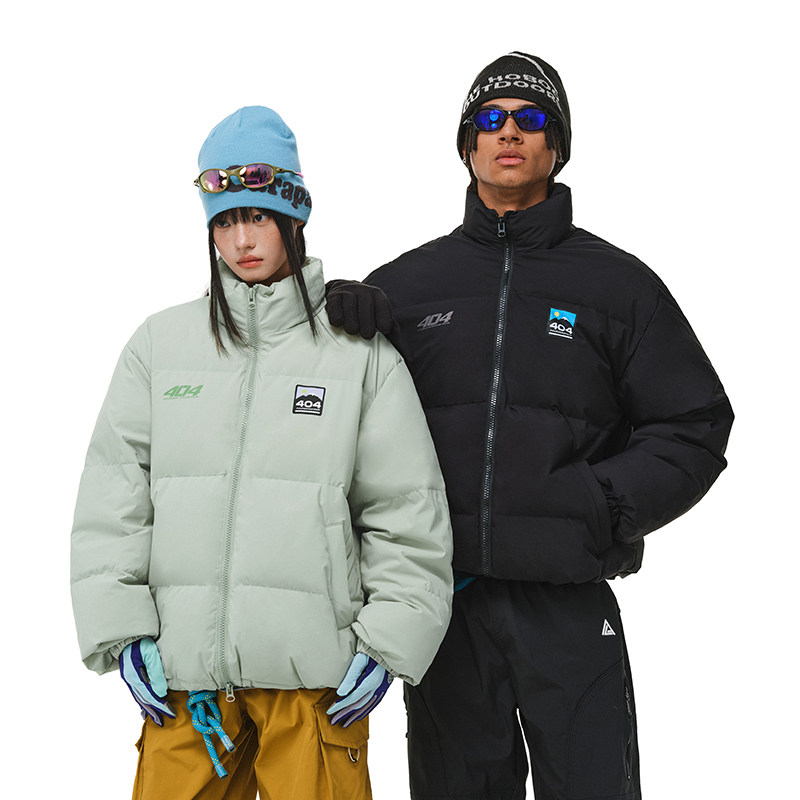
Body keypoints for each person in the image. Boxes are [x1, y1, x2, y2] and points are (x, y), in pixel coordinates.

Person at [330, 52, 734, 800]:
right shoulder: (406, 288)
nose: (509, 131)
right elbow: (325, 427)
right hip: (444, 603)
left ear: (557, 144)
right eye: (491, 118)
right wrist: (325, 324)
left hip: (567, 603)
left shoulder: (618, 286)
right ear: (467, 145)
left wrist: (598, 503)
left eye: (530, 118)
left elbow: (695, 422)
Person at [70, 105, 453, 800]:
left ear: (294, 218)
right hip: (187, 685)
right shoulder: (160, 346)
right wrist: (120, 629)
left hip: (315, 684)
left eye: (258, 217)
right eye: (224, 221)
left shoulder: (358, 356)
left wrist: (390, 641)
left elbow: (406, 512)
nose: (242, 239)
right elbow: (113, 497)